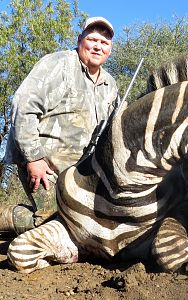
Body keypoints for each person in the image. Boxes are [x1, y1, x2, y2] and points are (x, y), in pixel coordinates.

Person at [0, 16, 119, 235]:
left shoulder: (109, 84)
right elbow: (23, 105)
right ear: (79, 39)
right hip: (45, 168)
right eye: (92, 39)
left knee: (91, 227)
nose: (97, 46)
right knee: (53, 225)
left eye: (104, 43)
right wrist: (34, 157)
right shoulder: (57, 64)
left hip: (82, 175)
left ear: (110, 48)